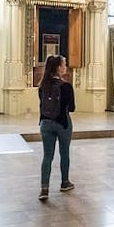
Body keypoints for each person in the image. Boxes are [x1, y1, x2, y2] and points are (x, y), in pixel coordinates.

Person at [38, 55, 77, 200]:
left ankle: (44, 189)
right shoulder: (66, 86)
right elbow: (72, 108)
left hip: (45, 123)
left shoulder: (42, 85)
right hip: (63, 123)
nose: (66, 67)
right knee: (64, 153)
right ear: (58, 67)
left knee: (47, 156)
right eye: (64, 64)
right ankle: (64, 182)